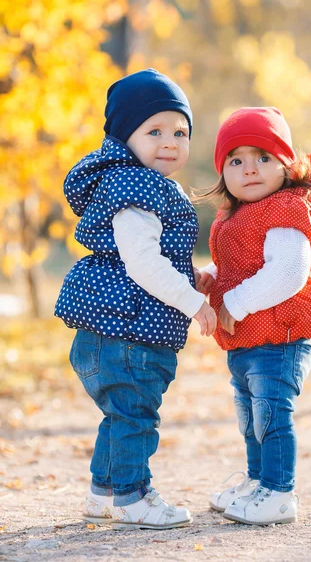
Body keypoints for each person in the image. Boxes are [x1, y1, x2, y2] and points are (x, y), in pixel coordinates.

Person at [55, 69, 216, 530]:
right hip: (129, 335)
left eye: (180, 131)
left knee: (119, 415)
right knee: (135, 417)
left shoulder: (132, 182)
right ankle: (133, 496)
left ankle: (102, 494)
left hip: (109, 332)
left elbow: (148, 255)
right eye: (154, 131)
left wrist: (194, 276)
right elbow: (143, 264)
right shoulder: (137, 187)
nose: (170, 141)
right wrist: (193, 302)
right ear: (125, 136)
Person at [196, 107, 311, 526]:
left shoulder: (286, 209)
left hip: (282, 336)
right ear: (223, 171)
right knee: (250, 417)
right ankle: (258, 481)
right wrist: (210, 277)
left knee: (272, 414)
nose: (250, 169)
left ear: (286, 163)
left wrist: (233, 304)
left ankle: (278, 492)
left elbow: (286, 272)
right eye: (236, 160)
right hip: (247, 340)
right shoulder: (234, 215)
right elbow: (239, 265)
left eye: (263, 157)